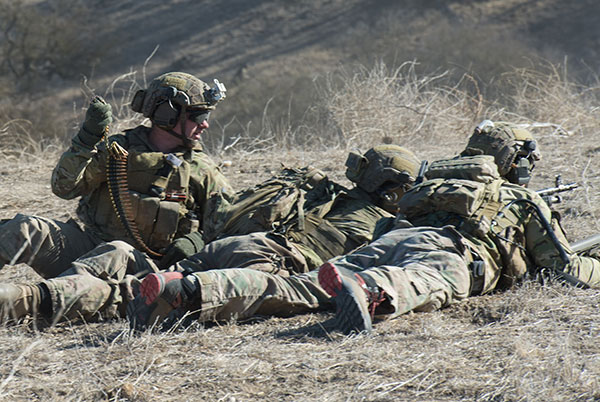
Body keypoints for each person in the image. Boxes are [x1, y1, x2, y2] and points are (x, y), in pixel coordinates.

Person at [127, 121, 600, 333]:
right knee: (417, 281)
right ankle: (369, 292)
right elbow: (564, 270)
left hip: (394, 239)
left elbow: (384, 231)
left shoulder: (426, 187)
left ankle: (187, 291)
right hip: (452, 254)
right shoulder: (520, 197)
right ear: (513, 163)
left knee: (300, 287)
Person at [0, 144, 421, 323]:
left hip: (220, 247)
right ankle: (27, 303)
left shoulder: (318, 190)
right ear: (395, 189)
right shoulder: (386, 225)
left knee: (117, 252)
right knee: (130, 295)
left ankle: (48, 296)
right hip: (261, 259)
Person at [0, 72, 233, 322]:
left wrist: (196, 241)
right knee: (24, 228)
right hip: (89, 249)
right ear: (168, 113)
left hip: (143, 273)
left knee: (118, 249)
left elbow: (230, 224)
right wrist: (85, 141)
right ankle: (65, 291)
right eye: (199, 116)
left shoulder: (200, 168)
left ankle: (41, 298)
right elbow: (64, 188)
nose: (205, 124)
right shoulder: (117, 150)